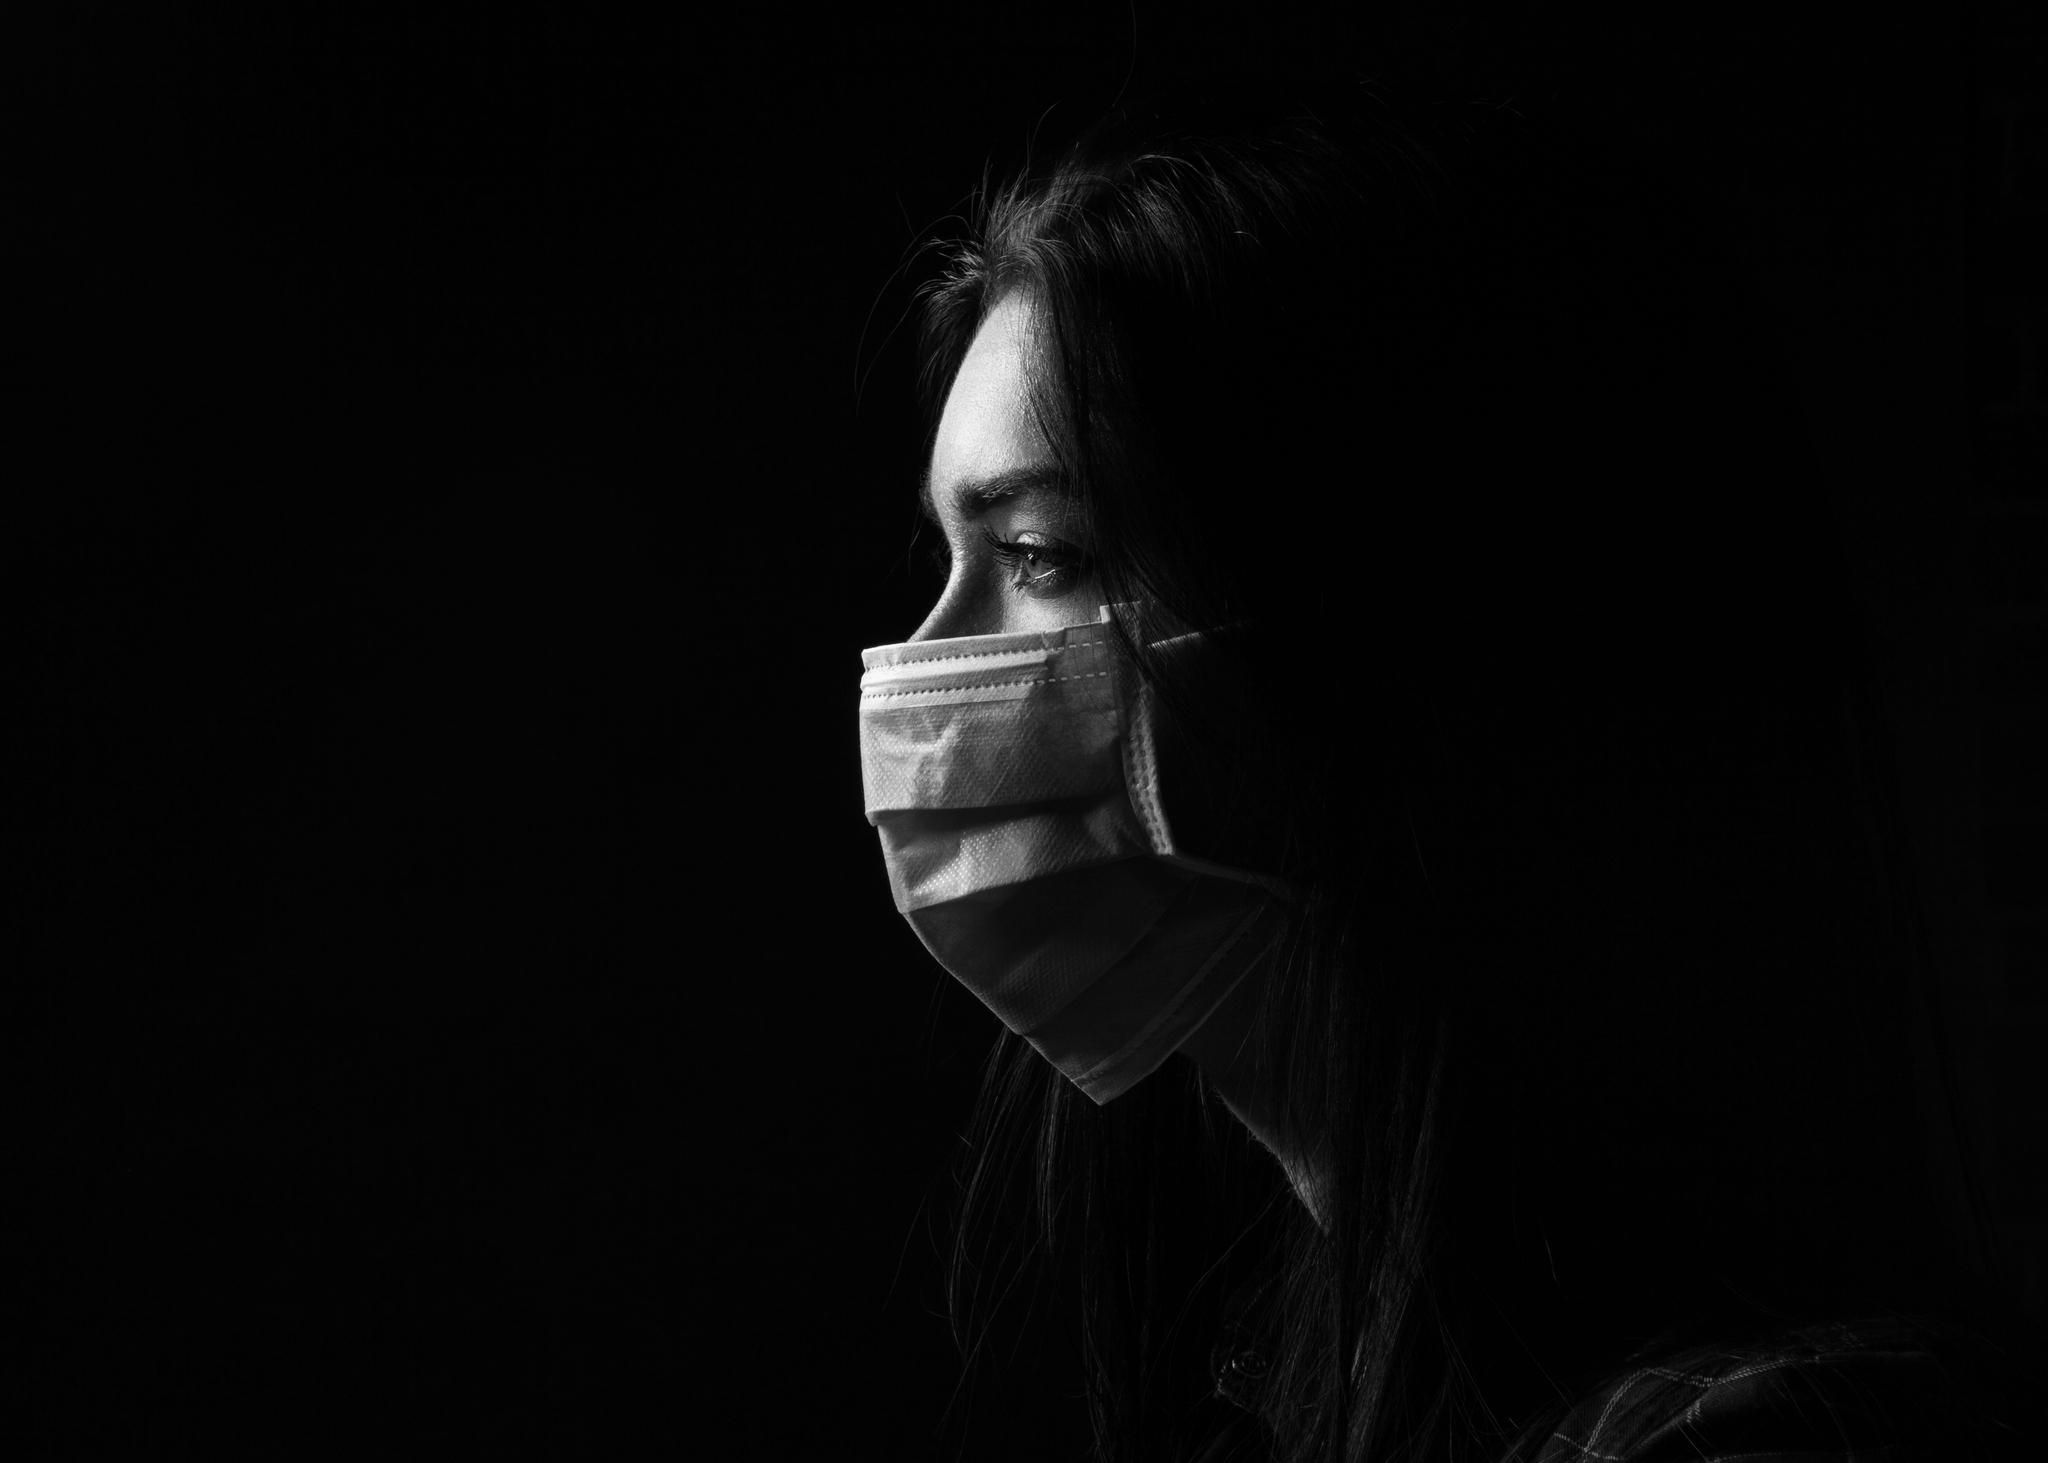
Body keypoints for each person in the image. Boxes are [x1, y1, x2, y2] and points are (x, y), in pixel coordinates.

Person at [857, 70, 2026, 1463]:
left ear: (1397, 630)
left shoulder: (1760, 1444)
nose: (924, 667)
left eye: (1042, 556)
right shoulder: (1312, 1399)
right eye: (947, 558)